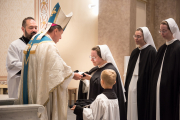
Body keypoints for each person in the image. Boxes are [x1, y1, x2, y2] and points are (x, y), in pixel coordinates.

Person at [18, 3, 82, 120]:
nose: (61, 38)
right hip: (41, 92)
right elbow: (57, 71)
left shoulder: (34, 40)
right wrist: (73, 75)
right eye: (61, 34)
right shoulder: (48, 45)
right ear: (56, 31)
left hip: (31, 90)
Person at [81, 45, 127, 120]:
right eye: (91, 57)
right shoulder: (96, 68)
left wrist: (91, 79)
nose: (91, 60)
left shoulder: (110, 69)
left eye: (94, 57)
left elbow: (106, 85)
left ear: (102, 56)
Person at [149, 18, 180, 120]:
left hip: (170, 89)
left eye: (164, 30)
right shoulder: (162, 48)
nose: (162, 33)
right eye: (160, 30)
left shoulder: (177, 47)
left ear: (172, 30)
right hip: (158, 90)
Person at [124, 27, 156, 120]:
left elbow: (152, 73)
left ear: (145, 37)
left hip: (143, 86)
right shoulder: (134, 52)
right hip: (131, 85)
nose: (136, 38)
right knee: (130, 106)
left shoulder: (151, 51)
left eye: (139, 36)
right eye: (135, 36)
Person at [6, 17, 37, 98]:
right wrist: (32, 64)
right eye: (31, 28)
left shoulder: (38, 45)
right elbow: (12, 64)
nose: (34, 30)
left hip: (35, 82)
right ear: (23, 29)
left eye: (36, 28)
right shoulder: (15, 45)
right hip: (19, 83)